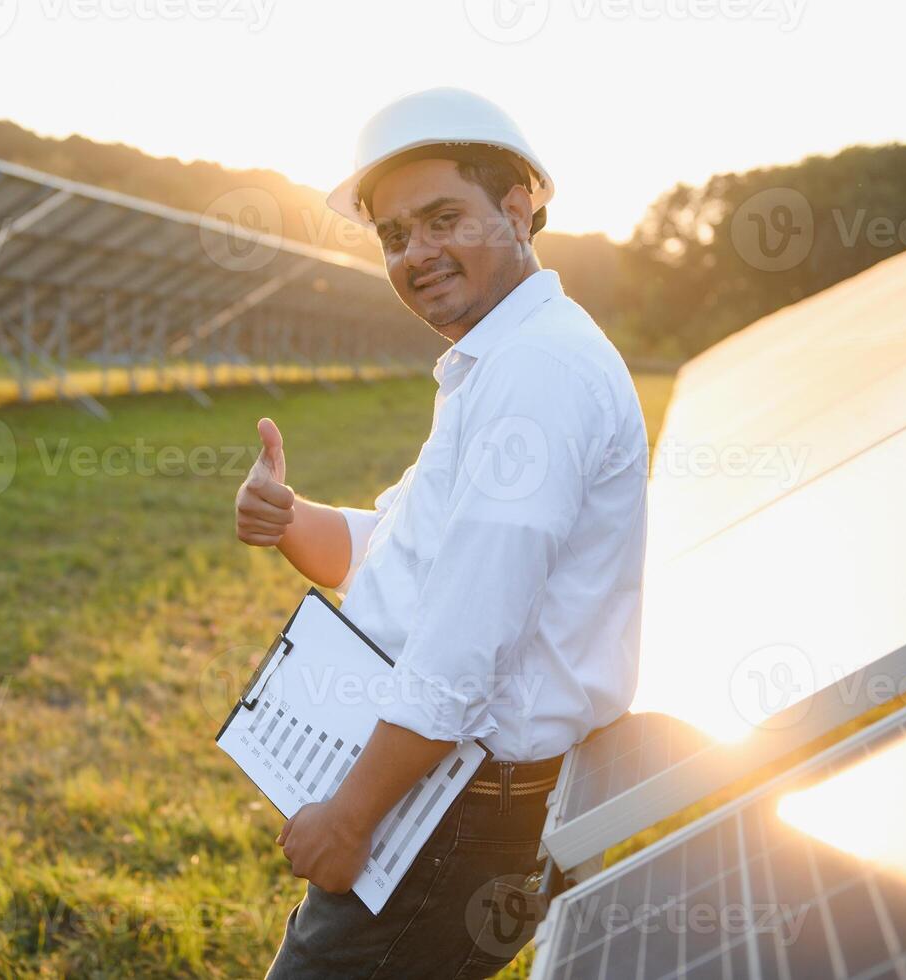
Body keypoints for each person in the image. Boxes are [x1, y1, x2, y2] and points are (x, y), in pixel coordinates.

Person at [234, 87, 650, 979]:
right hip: (446, 800)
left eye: (441, 219)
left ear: (517, 209)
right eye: (393, 235)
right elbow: (401, 551)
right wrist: (292, 519)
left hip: (455, 816)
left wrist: (349, 818)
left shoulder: (534, 370)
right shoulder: (499, 359)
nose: (416, 253)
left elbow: (463, 644)